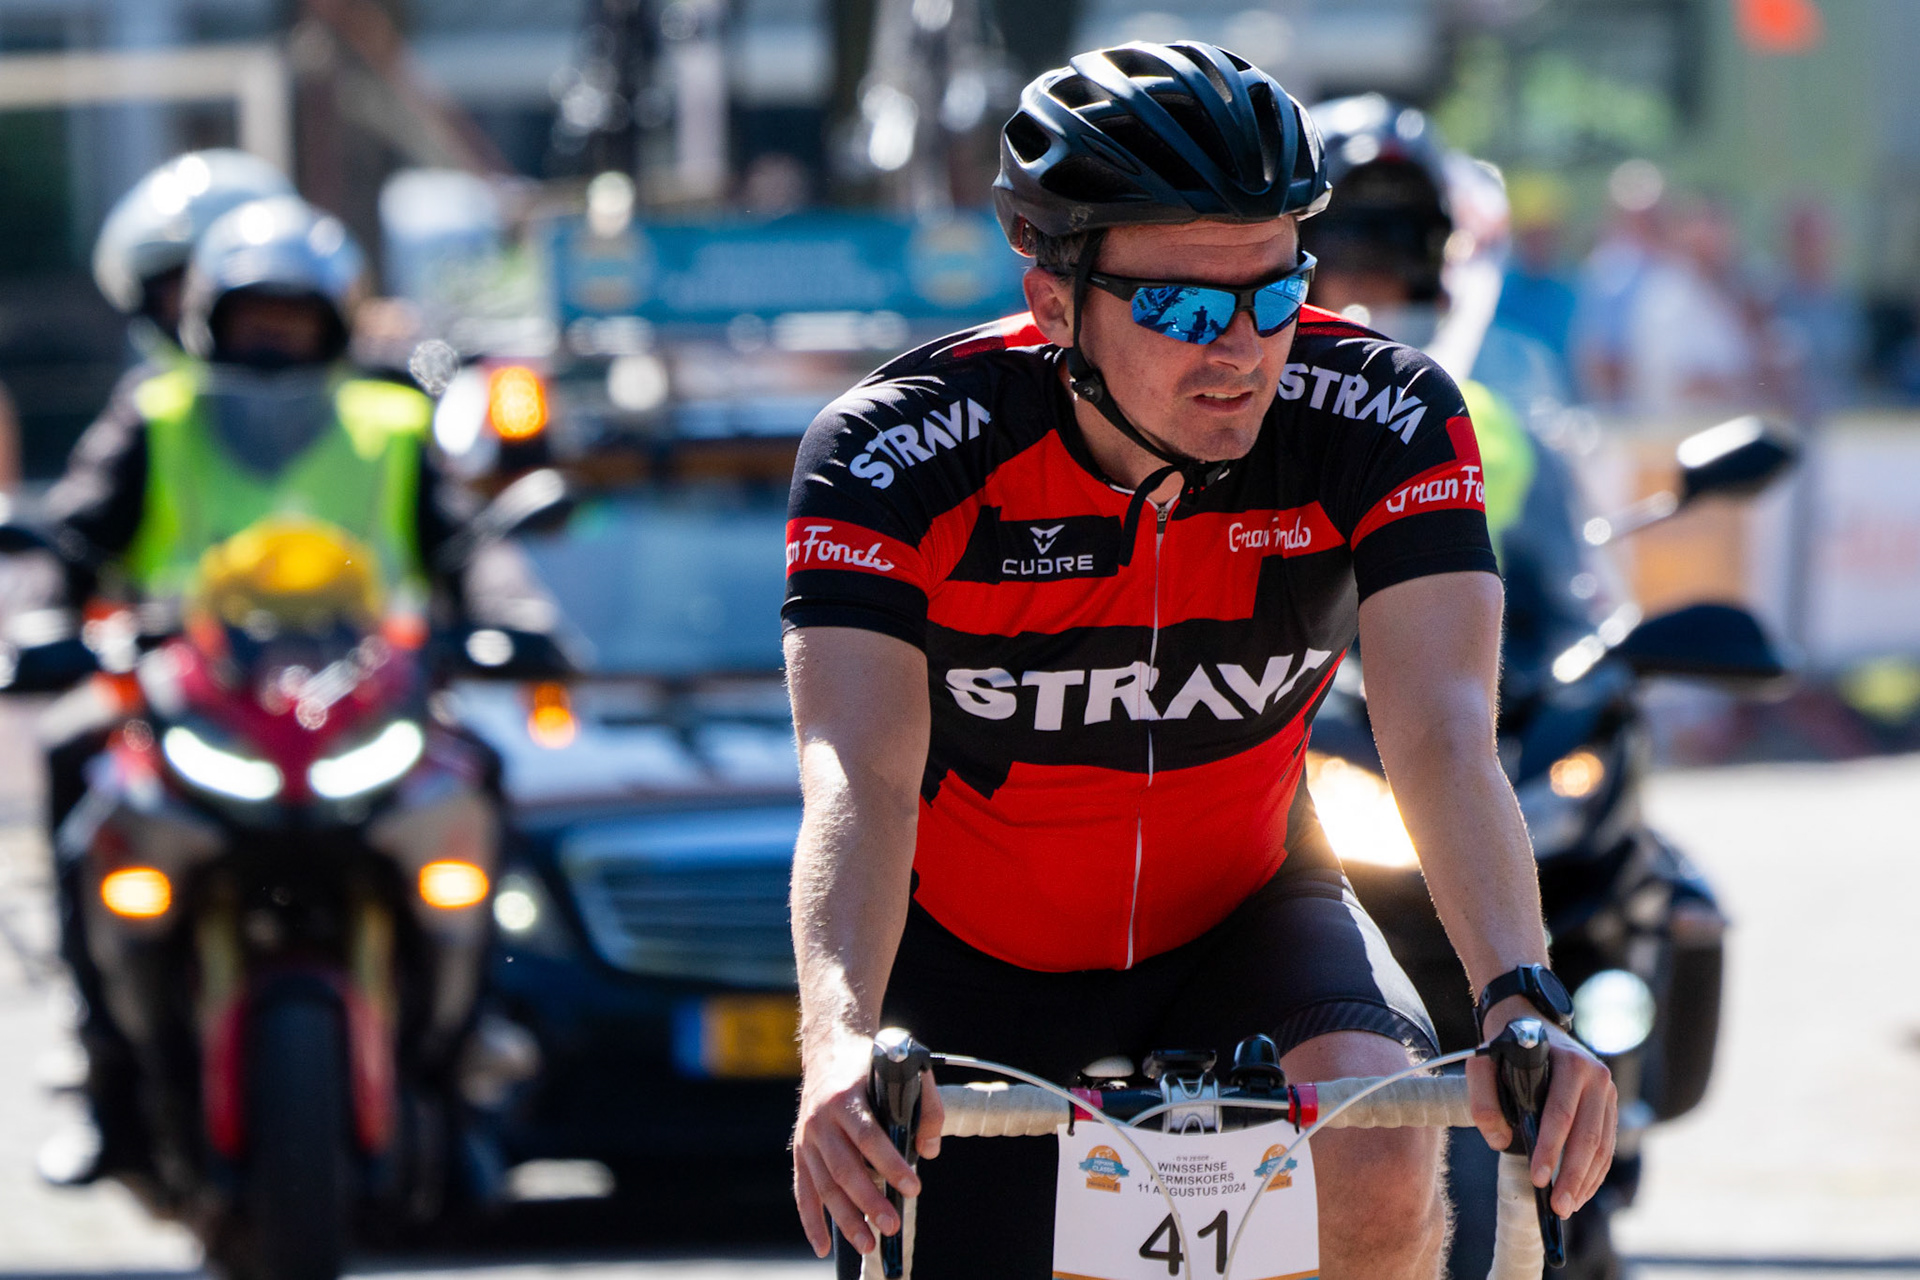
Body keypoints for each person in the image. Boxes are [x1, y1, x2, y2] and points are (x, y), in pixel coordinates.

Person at [783, 41, 1615, 1280]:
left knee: (1381, 1145)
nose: (1239, 349)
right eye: (1180, 309)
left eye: (1273, 295)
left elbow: (1443, 730)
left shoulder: (1383, 417)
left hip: (1247, 913)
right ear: (1054, 298)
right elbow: (859, 774)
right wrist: (839, 1039)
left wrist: (1520, 992)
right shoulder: (898, 452)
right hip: (970, 957)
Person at [35, 194, 544, 1186]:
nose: (273, 337)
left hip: (367, 696)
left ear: (334, 324)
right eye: (254, 318)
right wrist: (43, 622)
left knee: (480, 774)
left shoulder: (390, 420)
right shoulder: (159, 412)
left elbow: (467, 547)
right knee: (70, 759)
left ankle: (473, 1036)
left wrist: (515, 615)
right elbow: (75, 532)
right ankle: (97, 1060)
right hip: (190, 691)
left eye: (294, 318)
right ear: (211, 321)